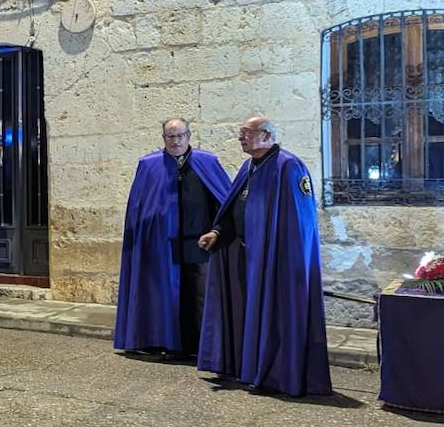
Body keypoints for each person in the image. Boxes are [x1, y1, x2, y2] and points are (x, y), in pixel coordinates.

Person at [197, 115, 332, 396]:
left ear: (267, 135)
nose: (241, 137)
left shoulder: (289, 166)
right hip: (248, 257)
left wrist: (286, 258)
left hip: (277, 261)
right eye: (241, 133)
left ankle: (279, 375)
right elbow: (236, 206)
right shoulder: (249, 166)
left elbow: (301, 223)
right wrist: (219, 233)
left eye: (247, 132)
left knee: (277, 319)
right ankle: (251, 369)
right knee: (250, 315)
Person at [114, 118, 231, 358]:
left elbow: (225, 202)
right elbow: (138, 209)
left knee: (200, 295)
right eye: (170, 136)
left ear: (189, 135)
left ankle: (203, 348)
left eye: (180, 135)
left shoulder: (207, 162)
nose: (176, 140)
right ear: (163, 138)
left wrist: (218, 231)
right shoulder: (149, 165)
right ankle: (166, 343)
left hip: (199, 243)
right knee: (165, 295)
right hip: (161, 245)